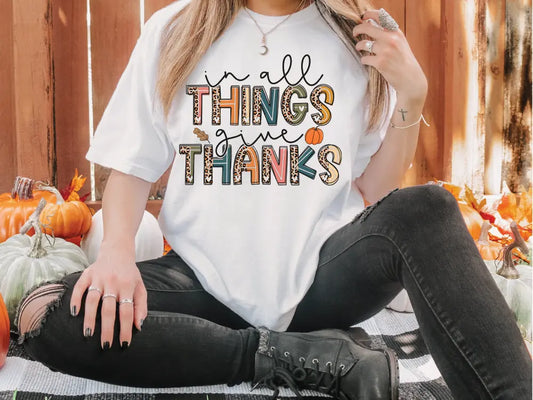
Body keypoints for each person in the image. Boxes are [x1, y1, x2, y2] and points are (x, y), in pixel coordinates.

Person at [14, 0, 531, 399]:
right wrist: (116, 254)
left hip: (324, 280)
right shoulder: (175, 29)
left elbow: (374, 192)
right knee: (45, 312)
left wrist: (412, 96)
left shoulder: (358, 40)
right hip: (201, 283)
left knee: (428, 208)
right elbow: (131, 167)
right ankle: (300, 357)